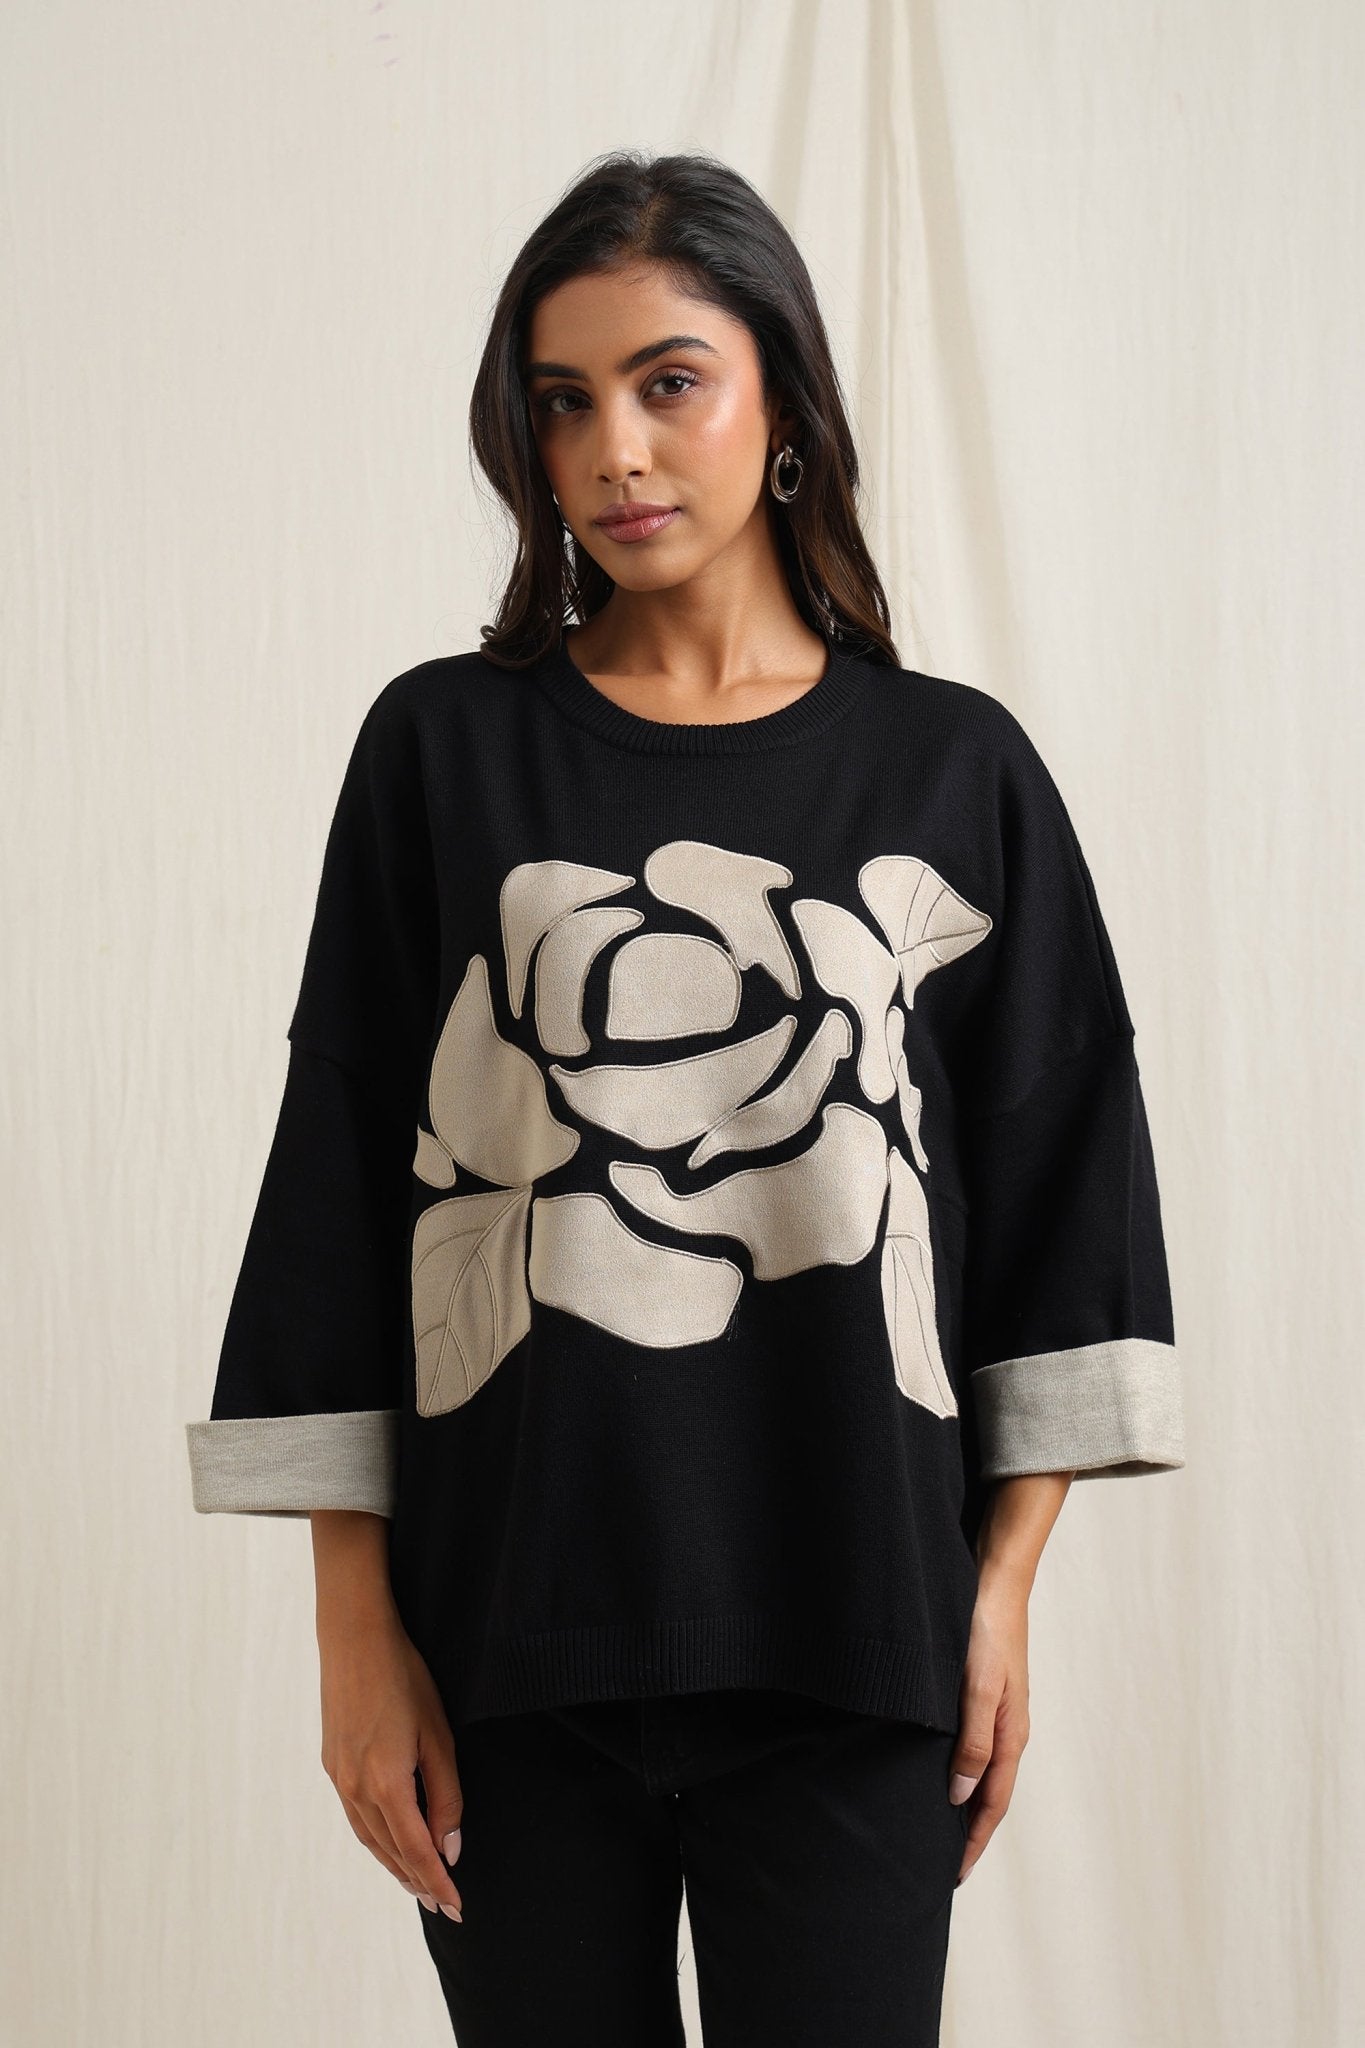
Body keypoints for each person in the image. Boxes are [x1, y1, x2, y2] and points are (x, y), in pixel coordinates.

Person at [185, 149, 1185, 2047]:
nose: (614, 453)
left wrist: (999, 1593)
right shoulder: (441, 748)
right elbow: (344, 1181)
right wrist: (351, 1631)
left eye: (668, 384)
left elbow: (1065, 1174)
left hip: (857, 1641)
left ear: (783, 404)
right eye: (562, 403)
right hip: (504, 1647)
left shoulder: (951, 771)